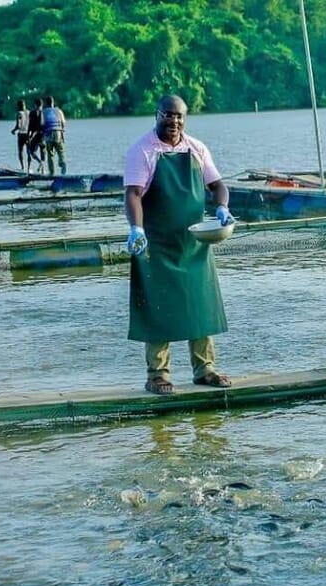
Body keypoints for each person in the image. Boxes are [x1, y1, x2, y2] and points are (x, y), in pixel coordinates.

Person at [124, 94, 235, 395]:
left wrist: (222, 207)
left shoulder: (196, 148)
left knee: (200, 305)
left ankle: (205, 369)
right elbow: (133, 193)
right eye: (168, 115)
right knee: (159, 309)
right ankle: (157, 375)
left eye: (179, 116)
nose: (174, 121)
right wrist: (136, 228)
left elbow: (217, 185)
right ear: (157, 115)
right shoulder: (142, 151)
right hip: (156, 243)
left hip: (194, 243)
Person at [41, 95, 66, 175]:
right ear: (53, 102)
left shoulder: (44, 112)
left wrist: (42, 135)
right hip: (58, 132)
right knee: (60, 151)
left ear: (46, 103)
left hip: (49, 132)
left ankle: (52, 172)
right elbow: (63, 123)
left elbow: (42, 124)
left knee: (50, 153)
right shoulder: (59, 111)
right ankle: (62, 162)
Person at [27, 97, 46, 174]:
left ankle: (39, 162)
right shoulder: (44, 112)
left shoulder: (32, 113)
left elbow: (30, 125)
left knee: (31, 152)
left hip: (35, 135)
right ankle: (43, 170)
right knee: (43, 151)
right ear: (42, 105)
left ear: (35, 105)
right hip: (43, 135)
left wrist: (29, 134)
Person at [10, 99, 30, 172]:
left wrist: (13, 130)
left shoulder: (19, 113)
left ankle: (22, 167)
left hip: (21, 134)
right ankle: (29, 167)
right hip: (28, 134)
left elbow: (18, 125)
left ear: (19, 106)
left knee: (21, 151)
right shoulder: (29, 112)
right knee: (29, 151)